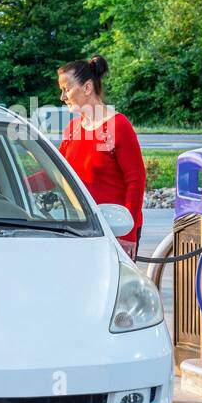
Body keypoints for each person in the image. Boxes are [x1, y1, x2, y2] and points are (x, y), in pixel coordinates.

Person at [57, 56, 146, 258]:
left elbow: (136, 180)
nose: (62, 97)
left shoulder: (118, 126)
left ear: (87, 88)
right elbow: (56, 172)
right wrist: (15, 183)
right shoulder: (73, 129)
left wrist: (128, 233)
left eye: (66, 89)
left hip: (116, 230)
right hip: (82, 227)